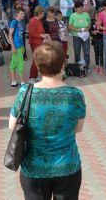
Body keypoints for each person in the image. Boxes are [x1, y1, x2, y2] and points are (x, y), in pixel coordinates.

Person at [9, 41, 86, 200]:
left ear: (37, 66)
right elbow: (78, 128)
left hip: (34, 167)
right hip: (67, 166)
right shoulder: (75, 94)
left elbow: (12, 126)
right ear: (62, 64)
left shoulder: (25, 92)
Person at [28, 6, 50, 83]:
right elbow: (31, 34)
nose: (44, 14)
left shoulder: (39, 20)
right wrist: (41, 35)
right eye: (43, 12)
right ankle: (31, 77)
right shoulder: (33, 21)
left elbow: (41, 31)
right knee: (36, 60)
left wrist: (45, 35)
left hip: (39, 42)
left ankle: (36, 75)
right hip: (34, 43)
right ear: (40, 13)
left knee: (39, 60)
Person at [68, 1, 91, 71]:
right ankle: (77, 67)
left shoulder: (86, 14)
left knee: (86, 52)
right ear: (76, 8)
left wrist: (87, 28)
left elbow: (90, 24)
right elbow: (69, 26)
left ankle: (87, 66)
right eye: (79, 8)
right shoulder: (73, 15)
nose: (81, 9)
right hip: (76, 36)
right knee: (77, 52)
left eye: (82, 7)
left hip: (86, 36)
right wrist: (77, 29)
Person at [9, 8, 26, 87]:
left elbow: (20, 35)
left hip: (21, 46)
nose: (23, 15)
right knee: (20, 64)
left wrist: (23, 46)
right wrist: (13, 47)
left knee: (14, 63)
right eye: (21, 13)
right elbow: (10, 35)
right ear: (17, 14)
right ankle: (22, 82)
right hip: (16, 47)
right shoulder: (14, 22)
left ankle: (14, 82)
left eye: (23, 13)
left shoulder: (21, 22)